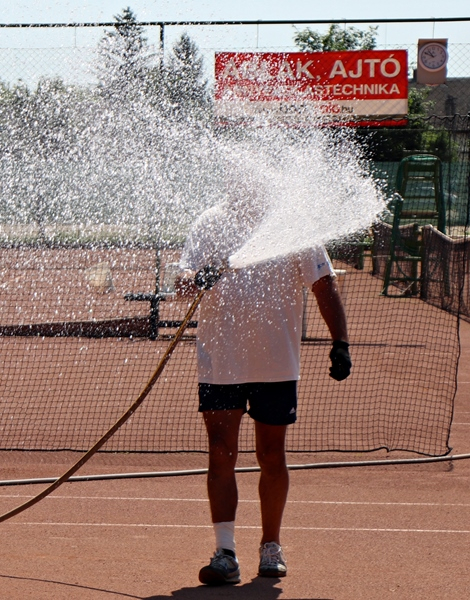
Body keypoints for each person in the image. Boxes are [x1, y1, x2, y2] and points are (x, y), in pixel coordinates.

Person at [175, 180, 352, 586]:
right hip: (221, 364)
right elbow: (182, 282)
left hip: (276, 363)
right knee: (220, 452)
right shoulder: (210, 222)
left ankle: (271, 546)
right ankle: (225, 553)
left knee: (272, 455)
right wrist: (198, 278)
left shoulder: (294, 223)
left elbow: (324, 285)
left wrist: (340, 342)